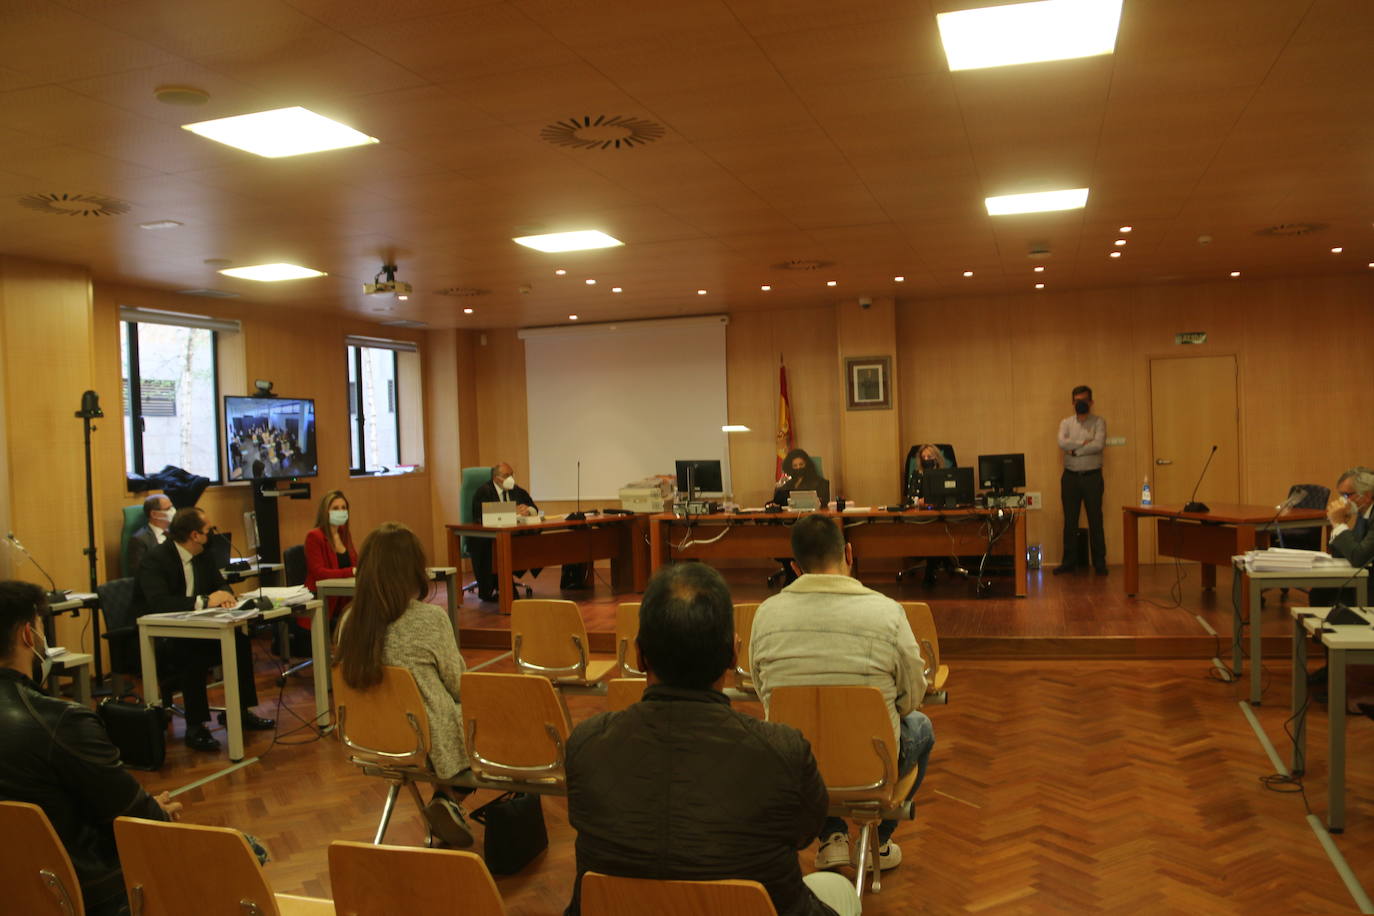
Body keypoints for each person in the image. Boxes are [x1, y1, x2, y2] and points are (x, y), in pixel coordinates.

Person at [564, 563, 860, 916]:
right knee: (838, 889)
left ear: (640, 655)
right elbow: (804, 834)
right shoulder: (784, 752)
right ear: (733, 655)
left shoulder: (585, 745)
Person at [751, 514, 934, 875]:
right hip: (872, 763)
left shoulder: (765, 614)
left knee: (801, 731)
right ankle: (878, 840)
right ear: (849, 553)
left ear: (794, 566)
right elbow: (912, 696)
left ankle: (831, 838)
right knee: (921, 727)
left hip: (797, 767)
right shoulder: (887, 612)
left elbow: (765, 695)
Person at [0, 580, 182, 916]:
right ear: (29, 636)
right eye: (42, 629)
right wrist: (156, 811)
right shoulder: (61, 721)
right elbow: (131, 813)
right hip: (76, 891)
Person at [334, 522, 472, 847]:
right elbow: (459, 684)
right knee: (484, 714)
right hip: (426, 739)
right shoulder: (429, 619)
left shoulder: (349, 621)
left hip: (370, 736)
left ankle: (446, 800)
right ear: (414, 570)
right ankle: (448, 797)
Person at [133, 507, 275, 752]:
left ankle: (239, 711)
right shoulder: (155, 559)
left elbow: (219, 585)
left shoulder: (203, 555)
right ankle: (195, 725)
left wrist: (227, 596)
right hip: (164, 636)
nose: (212, 534)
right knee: (190, 651)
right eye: (208, 530)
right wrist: (204, 601)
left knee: (241, 641)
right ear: (194, 535)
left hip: (201, 628)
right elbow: (158, 603)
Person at [469, 462, 539, 603]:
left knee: (534, 541)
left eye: (512, 475)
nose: (510, 479)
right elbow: (481, 516)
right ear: (496, 478)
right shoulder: (484, 491)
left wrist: (528, 510)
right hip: (488, 538)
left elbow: (534, 508)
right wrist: (511, 511)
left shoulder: (516, 490)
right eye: (506, 475)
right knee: (490, 549)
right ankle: (496, 587)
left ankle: (511, 574)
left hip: (512, 535)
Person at [1056, 385, 1107, 575]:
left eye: (1084, 400)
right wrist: (1084, 443)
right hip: (1070, 477)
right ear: (1072, 402)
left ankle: (1100, 563)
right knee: (1070, 521)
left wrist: (1074, 449)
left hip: (1092, 477)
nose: (1080, 404)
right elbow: (1061, 443)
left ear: (1091, 402)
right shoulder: (1066, 423)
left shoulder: (1099, 422)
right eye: (1077, 401)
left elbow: (1098, 445)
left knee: (1096, 520)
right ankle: (1068, 562)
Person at [303, 489, 358, 629]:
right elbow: (320, 573)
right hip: (323, 601)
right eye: (335, 508)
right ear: (325, 511)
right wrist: (351, 572)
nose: (341, 511)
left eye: (344, 508)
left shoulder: (344, 533)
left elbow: (356, 562)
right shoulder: (314, 536)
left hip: (345, 600)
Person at [1328, 466, 1374, 568]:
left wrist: (1339, 525)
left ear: (1367, 495)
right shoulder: (1362, 512)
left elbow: (1359, 559)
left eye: (1346, 495)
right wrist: (1339, 525)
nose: (1343, 500)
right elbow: (1341, 555)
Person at [126, 493, 174, 574]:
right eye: (168, 509)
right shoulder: (140, 539)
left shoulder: (176, 533)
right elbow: (139, 572)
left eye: (172, 507)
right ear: (154, 514)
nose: (173, 511)